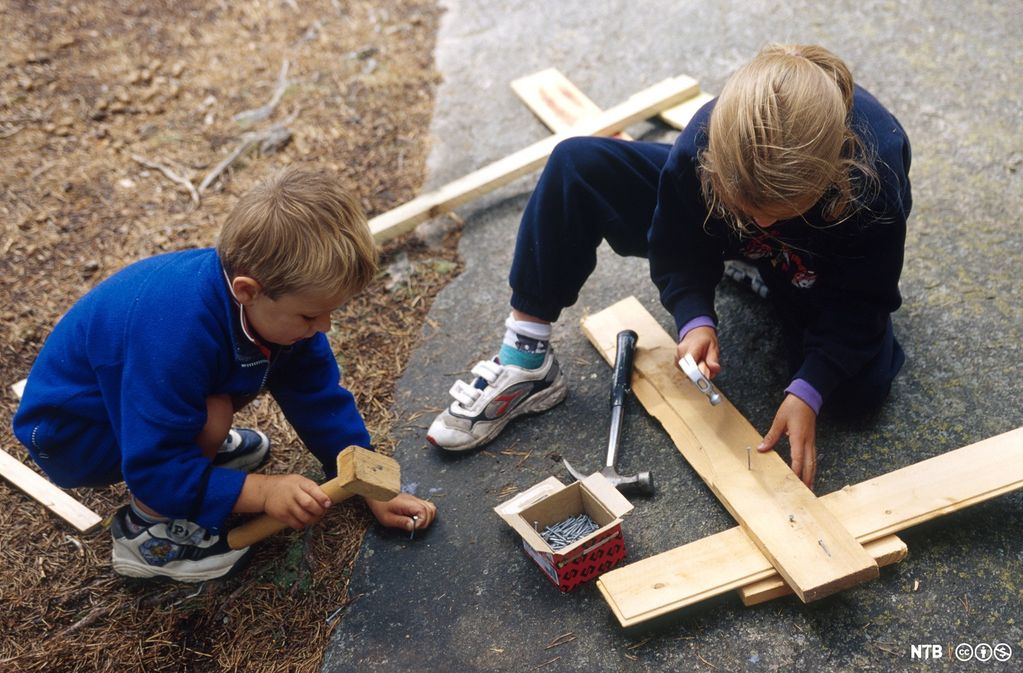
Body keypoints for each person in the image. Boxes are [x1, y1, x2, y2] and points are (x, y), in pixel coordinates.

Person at [427, 44, 912, 490]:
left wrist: (810, 388)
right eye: (745, 207)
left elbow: (863, 300)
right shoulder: (704, 140)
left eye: (777, 214)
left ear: (831, 178)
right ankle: (526, 355)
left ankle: (774, 268)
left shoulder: (876, 173)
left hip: (817, 260)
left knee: (854, 393)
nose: (760, 220)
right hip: (736, 232)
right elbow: (677, 241)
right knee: (576, 165)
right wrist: (693, 314)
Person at [13, 166, 437, 582]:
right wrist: (264, 492)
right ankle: (147, 534)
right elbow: (154, 469)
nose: (324, 326)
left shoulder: (268, 306)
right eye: (311, 314)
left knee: (214, 406)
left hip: (135, 403)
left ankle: (198, 457)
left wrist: (367, 483)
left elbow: (316, 394)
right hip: (72, 434)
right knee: (211, 414)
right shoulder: (173, 338)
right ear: (247, 290)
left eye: (330, 311)